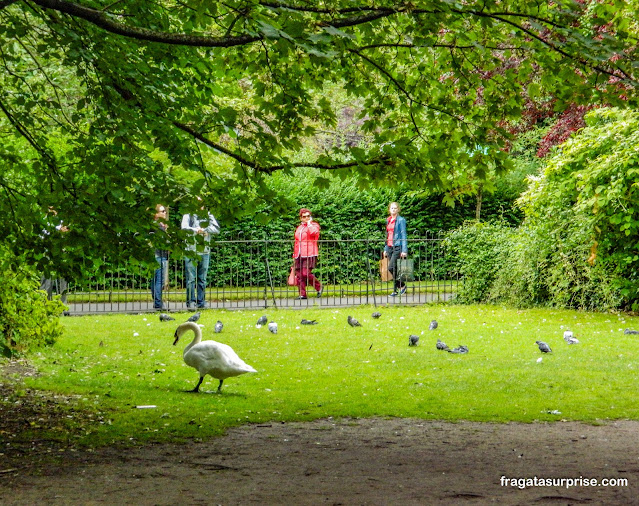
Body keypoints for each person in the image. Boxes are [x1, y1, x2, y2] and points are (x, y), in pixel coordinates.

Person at [181, 199, 220, 309]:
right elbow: (184, 228)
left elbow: (216, 229)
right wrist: (196, 230)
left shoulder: (208, 215)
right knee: (191, 279)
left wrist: (205, 229)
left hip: (205, 251)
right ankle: (191, 302)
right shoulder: (188, 215)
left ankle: (201, 302)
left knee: (202, 279)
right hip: (191, 251)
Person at [40, 207, 69, 304]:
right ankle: (45, 303)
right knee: (47, 280)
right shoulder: (45, 221)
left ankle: (63, 305)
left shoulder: (63, 221)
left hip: (61, 252)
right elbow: (43, 236)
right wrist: (58, 230)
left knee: (63, 280)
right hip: (48, 252)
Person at [293, 208, 323, 300]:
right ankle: (302, 294)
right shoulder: (299, 228)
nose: (306, 218)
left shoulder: (314, 225)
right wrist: (294, 255)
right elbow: (297, 241)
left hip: (310, 253)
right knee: (299, 275)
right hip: (299, 253)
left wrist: (309, 224)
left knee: (305, 273)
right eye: (304, 217)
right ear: (301, 218)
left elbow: (314, 233)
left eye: (308, 216)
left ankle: (319, 287)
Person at [383, 202, 408, 296]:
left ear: (398, 209)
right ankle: (395, 290)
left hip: (398, 246)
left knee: (391, 267)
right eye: (392, 208)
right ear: (389, 210)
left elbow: (403, 234)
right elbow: (387, 235)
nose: (393, 210)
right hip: (389, 246)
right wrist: (385, 248)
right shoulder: (388, 220)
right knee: (394, 270)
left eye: (395, 208)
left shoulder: (401, 220)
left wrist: (404, 250)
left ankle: (401, 286)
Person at [150, 204, 169, 310]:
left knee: (154, 280)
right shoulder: (158, 226)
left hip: (157, 255)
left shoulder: (156, 225)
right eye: (162, 211)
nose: (165, 213)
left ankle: (157, 302)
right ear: (156, 214)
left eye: (165, 211)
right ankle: (158, 304)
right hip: (159, 255)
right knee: (159, 280)